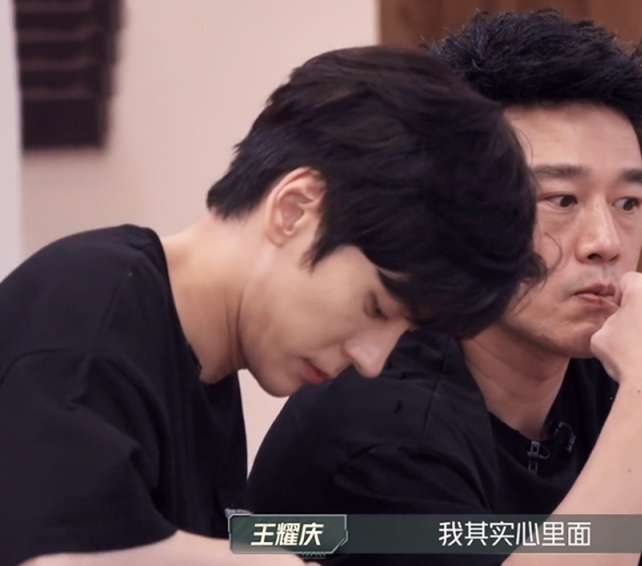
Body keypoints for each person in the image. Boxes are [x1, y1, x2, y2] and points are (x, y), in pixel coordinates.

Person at [247, 10, 642, 566]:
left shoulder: (622, 372)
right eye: (561, 200)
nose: (605, 241)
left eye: (627, 203)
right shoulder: (379, 426)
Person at [0, 45, 544, 566]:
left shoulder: (205, 369)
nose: (372, 361)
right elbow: (53, 556)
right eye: (376, 308)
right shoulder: (89, 309)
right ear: (295, 208)